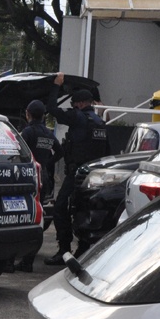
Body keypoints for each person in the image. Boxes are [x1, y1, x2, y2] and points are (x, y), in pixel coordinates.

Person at [43, 72, 109, 266]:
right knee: (84, 210)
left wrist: (56, 85)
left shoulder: (78, 117)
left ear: (80, 103)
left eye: (73, 104)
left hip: (77, 174)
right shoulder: (101, 123)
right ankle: (83, 247)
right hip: (96, 176)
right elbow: (108, 152)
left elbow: (51, 108)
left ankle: (64, 250)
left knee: (61, 209)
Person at [13, 99, 62, 272]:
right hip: (44, 179)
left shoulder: (28, 132)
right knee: (36, 219)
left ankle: (12, 259)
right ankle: (28, 261)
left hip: (28, 178)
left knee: (19, 217)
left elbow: (16, 152)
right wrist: (48, 162)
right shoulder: (48, 134)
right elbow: (60, 151)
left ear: (28, 114)